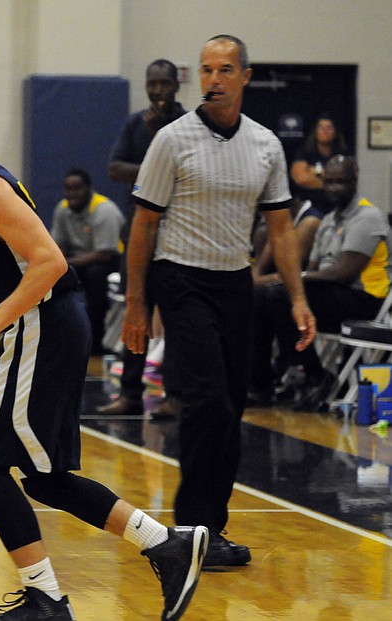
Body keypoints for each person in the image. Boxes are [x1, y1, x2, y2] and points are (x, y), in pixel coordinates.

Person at [0, 73, 207, 621]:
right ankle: (164, 545)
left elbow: (50, 262)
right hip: (46, 322)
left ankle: (47, 598)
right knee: (42, 477)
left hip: (43, 324)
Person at [122, 35, 316, 567]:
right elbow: (143, 223)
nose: (213, 79)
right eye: (206, 70)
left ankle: (212, 530)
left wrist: (298, 299)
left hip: (236, 284)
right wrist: (137, 302)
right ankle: (188, 530)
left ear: (245, 77)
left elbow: (281, 229)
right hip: (180, 278)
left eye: (225, 69)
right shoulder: (172, 139)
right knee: (206, 402)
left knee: (232, 410)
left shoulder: (266, 145)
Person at [250, 155, 391, 411]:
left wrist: (293, 280)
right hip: (330, 296)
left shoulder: (367, 216)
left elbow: (343, 274)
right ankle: (261, 383)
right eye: (329, 182)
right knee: (264, 295)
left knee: (281, 295)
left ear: (354, 180)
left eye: (341, 182)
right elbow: (314, 271)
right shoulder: (328, 221)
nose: (334, 188)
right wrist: (293, 282)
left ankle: (315, 375)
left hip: (362, 299)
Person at [102, 59, 186, 419]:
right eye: (152, 84)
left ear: (175, 85)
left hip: (176, 229)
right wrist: (153, 167)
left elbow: (185, 171)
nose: (157, 91)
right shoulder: (135, 122)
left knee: (175, 314)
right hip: (139, 230)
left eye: (164, 84)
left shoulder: (187, 124)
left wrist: (160, 137)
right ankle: (130, 393)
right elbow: (114, 167)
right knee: (134, 309)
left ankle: (175, 394)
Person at [50, 168, 124, 355]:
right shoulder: (63, 208)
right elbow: (57, 246)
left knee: (95, 275)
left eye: (77, 188)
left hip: (113, 263)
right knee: (51, 276)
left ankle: (96, 342)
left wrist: (66, 263)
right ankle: (55, 335)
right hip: (79, 262)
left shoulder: (103, 210)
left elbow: (104, 254)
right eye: (68, 189)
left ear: (89, 189)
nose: (72, 194)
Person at [289, 115, 349, 213]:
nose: (325, 131)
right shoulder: (305, 152)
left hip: (337, 206)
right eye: (321, 127)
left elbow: (345, 183)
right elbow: (301, 179)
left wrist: (315, 172)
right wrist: (331, 181)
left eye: (329, 128)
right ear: (315, 132)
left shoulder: (343, 153)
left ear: (335, 132)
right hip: (308, 205)